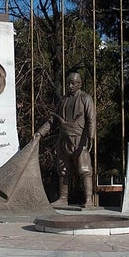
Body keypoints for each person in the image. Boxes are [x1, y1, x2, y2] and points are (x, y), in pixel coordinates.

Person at [34, 72, 96, 207]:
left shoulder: (86, 98)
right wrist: (40, 133)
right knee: (63, 170)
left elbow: (91, 119)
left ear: (79, 84)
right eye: (68, 82)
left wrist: (91, 136)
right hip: (64, 139)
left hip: (79, 139)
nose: (70, 85)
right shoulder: (63, 100)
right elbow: (52, 120)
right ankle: (63, 198)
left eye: (73, 83)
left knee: (84, 170)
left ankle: (89, 200)